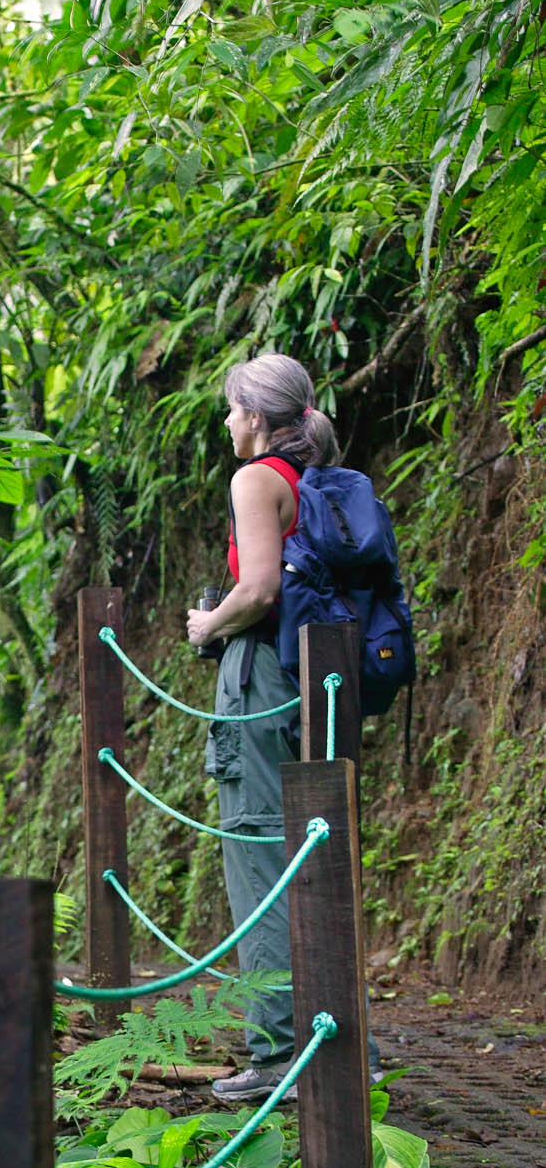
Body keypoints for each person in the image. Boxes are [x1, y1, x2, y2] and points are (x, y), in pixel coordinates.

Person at [186, 352, 376, 1102]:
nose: (229, 422)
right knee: (316, 855)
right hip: (315, 679)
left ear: (258, 416)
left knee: (261, 853)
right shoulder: (316, 479)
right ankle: (330, 1039)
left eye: (233, 409)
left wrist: (207, 624)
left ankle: (279, 1055)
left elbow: (259, 588)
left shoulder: (255, 477)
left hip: (263, 678)